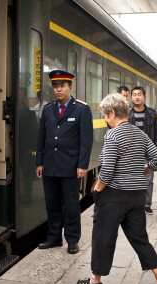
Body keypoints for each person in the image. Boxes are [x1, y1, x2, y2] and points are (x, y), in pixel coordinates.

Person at [76, 93, 157, 284]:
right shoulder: (139, 134)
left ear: (112, 113)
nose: (105, 119)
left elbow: (108, 168)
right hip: (137, 197)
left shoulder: (112, 135)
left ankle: (95, 282)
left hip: (114, 197)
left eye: (105, 115)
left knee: (103, 237)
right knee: (140, 239)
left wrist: (98, 187)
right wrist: (145, 171)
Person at [36, 69, 93, 254]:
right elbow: (41, 138)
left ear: (70, 87)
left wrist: (83, 165)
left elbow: (86, 140)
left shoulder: (81, 109)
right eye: (55, 86)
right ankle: (54, 238)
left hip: (70, 166)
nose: (58, 89)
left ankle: (72, 240)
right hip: (50, 165)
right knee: (51, 204)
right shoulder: (48, 109)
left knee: (71, 205)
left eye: (62, 86)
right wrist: (40, 162)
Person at [128, 86, 157, 214]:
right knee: (131, 179)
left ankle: (146, 205)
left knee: (148, 180)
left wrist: (155, 151)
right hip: (131, 152)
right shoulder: (127, 113)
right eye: (135, 95)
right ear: (131, 97)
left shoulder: (152, 114)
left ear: (144, 97)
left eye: (139, 94)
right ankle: (133, 205)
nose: (137, 97)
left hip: (147, 152)